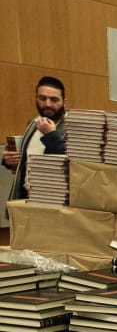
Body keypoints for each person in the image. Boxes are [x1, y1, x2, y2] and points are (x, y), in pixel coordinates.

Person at [3, 76, 67, 227]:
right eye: (42, 98)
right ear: (35, 98)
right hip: (26, 199)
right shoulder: (32, 124)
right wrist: (8, 161)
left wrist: (51, 135)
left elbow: (69, 164)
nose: (47, 104)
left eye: (54, 100)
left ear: (64, 102)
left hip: (55, 205)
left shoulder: (72, 128)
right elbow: (26, 161)